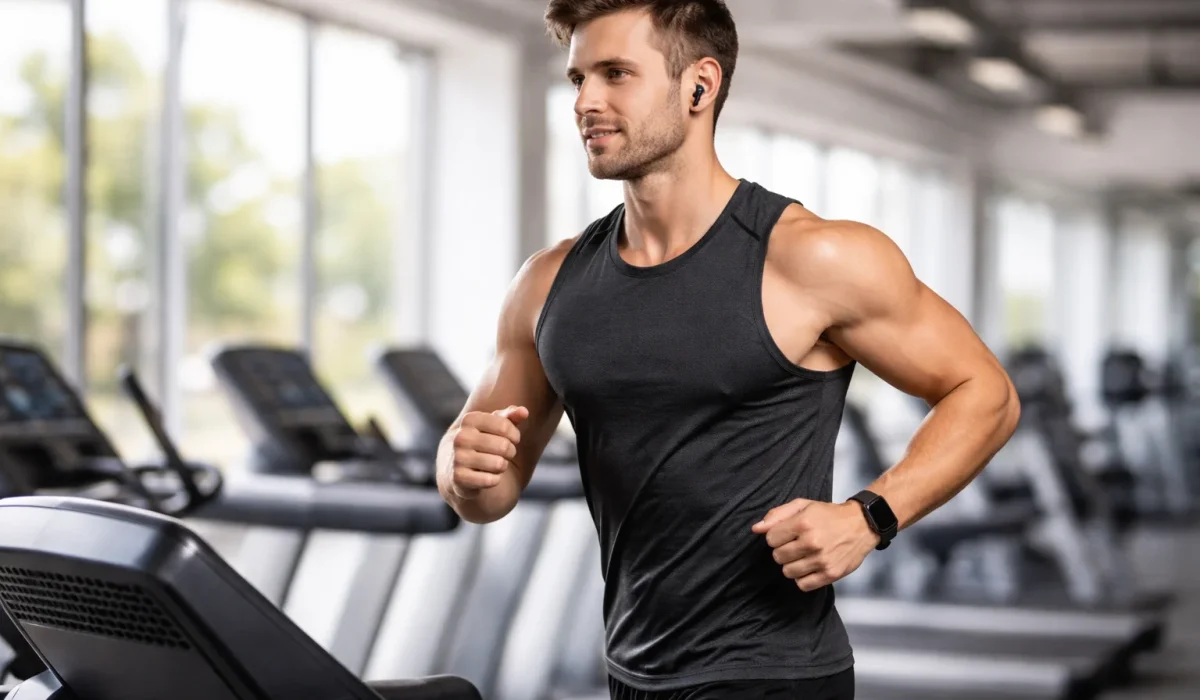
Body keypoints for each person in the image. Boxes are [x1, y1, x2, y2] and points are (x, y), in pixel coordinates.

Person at [435, 1, 1021, 698]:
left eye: (616, 74)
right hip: (630, 671)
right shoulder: (548, 284)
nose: (587, 101)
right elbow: (486, 492)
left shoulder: (811, 257)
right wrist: (457, 464)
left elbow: (987, 394)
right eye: (578, 79)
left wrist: (870, 516)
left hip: (771, 677)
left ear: (699, 86)